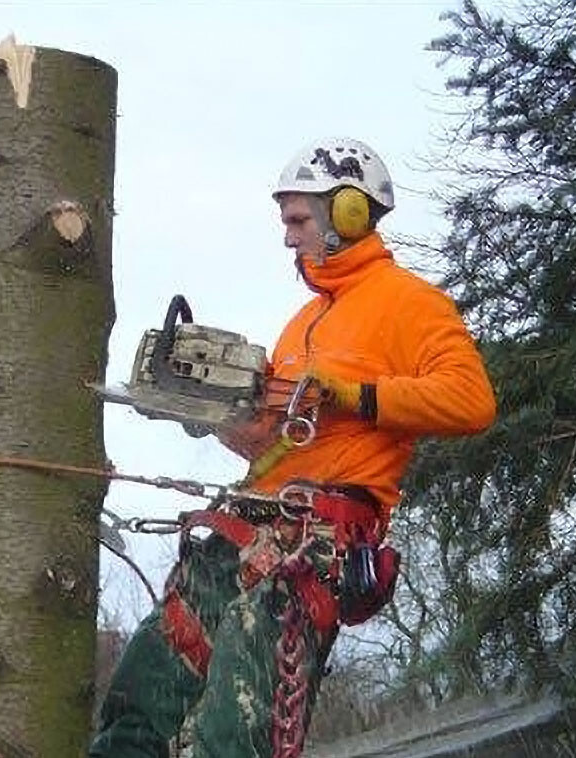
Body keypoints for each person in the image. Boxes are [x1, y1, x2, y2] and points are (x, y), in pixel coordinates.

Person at [89, 137, 496, 757]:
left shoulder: (409, 304)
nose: (288, 237)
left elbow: (472, 400)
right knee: (139, 697)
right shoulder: (302, 323)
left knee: (236, 732)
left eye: (298, 219)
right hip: (245, 533)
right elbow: (274, 446)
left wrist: (358, 395)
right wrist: (208, 415)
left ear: (349, 214)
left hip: (312, 546)